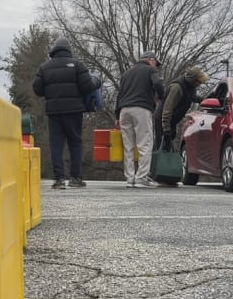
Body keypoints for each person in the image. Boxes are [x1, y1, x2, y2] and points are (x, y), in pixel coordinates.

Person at [33, 37, 100, 189]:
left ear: (54, 51)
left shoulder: (44, 67)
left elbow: (37, 89)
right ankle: (75, 178)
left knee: (56, 145)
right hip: (74, 110)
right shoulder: (77, 65)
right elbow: (87, 87)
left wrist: (51, 91)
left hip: (54, 112)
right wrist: (97, 82)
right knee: (75, 143)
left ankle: (59, 179)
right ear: (69, 50)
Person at [115, 51, 165, 188]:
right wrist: (161, 97)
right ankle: (141, 178)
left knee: (128, 146)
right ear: (150, 59)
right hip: (141, 109)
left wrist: (116, 115)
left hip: (124, 111)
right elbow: (158, 84)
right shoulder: (150, 70)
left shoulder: (126, 73)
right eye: (156, 62)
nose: (157, 66)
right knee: (145, 144)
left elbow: (119, 95)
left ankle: (130, 178)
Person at [153, 66, 210, 151]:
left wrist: (205, 100)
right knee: (162, 148)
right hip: (163, 120)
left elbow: (192, 97)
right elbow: (166, 111)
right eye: (199, 81)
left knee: (168, 148)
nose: (200, 83)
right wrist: (166, 131)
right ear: (193, 80)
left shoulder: (190, 87)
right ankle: (154, 163)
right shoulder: (177, 88)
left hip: (171, 121)